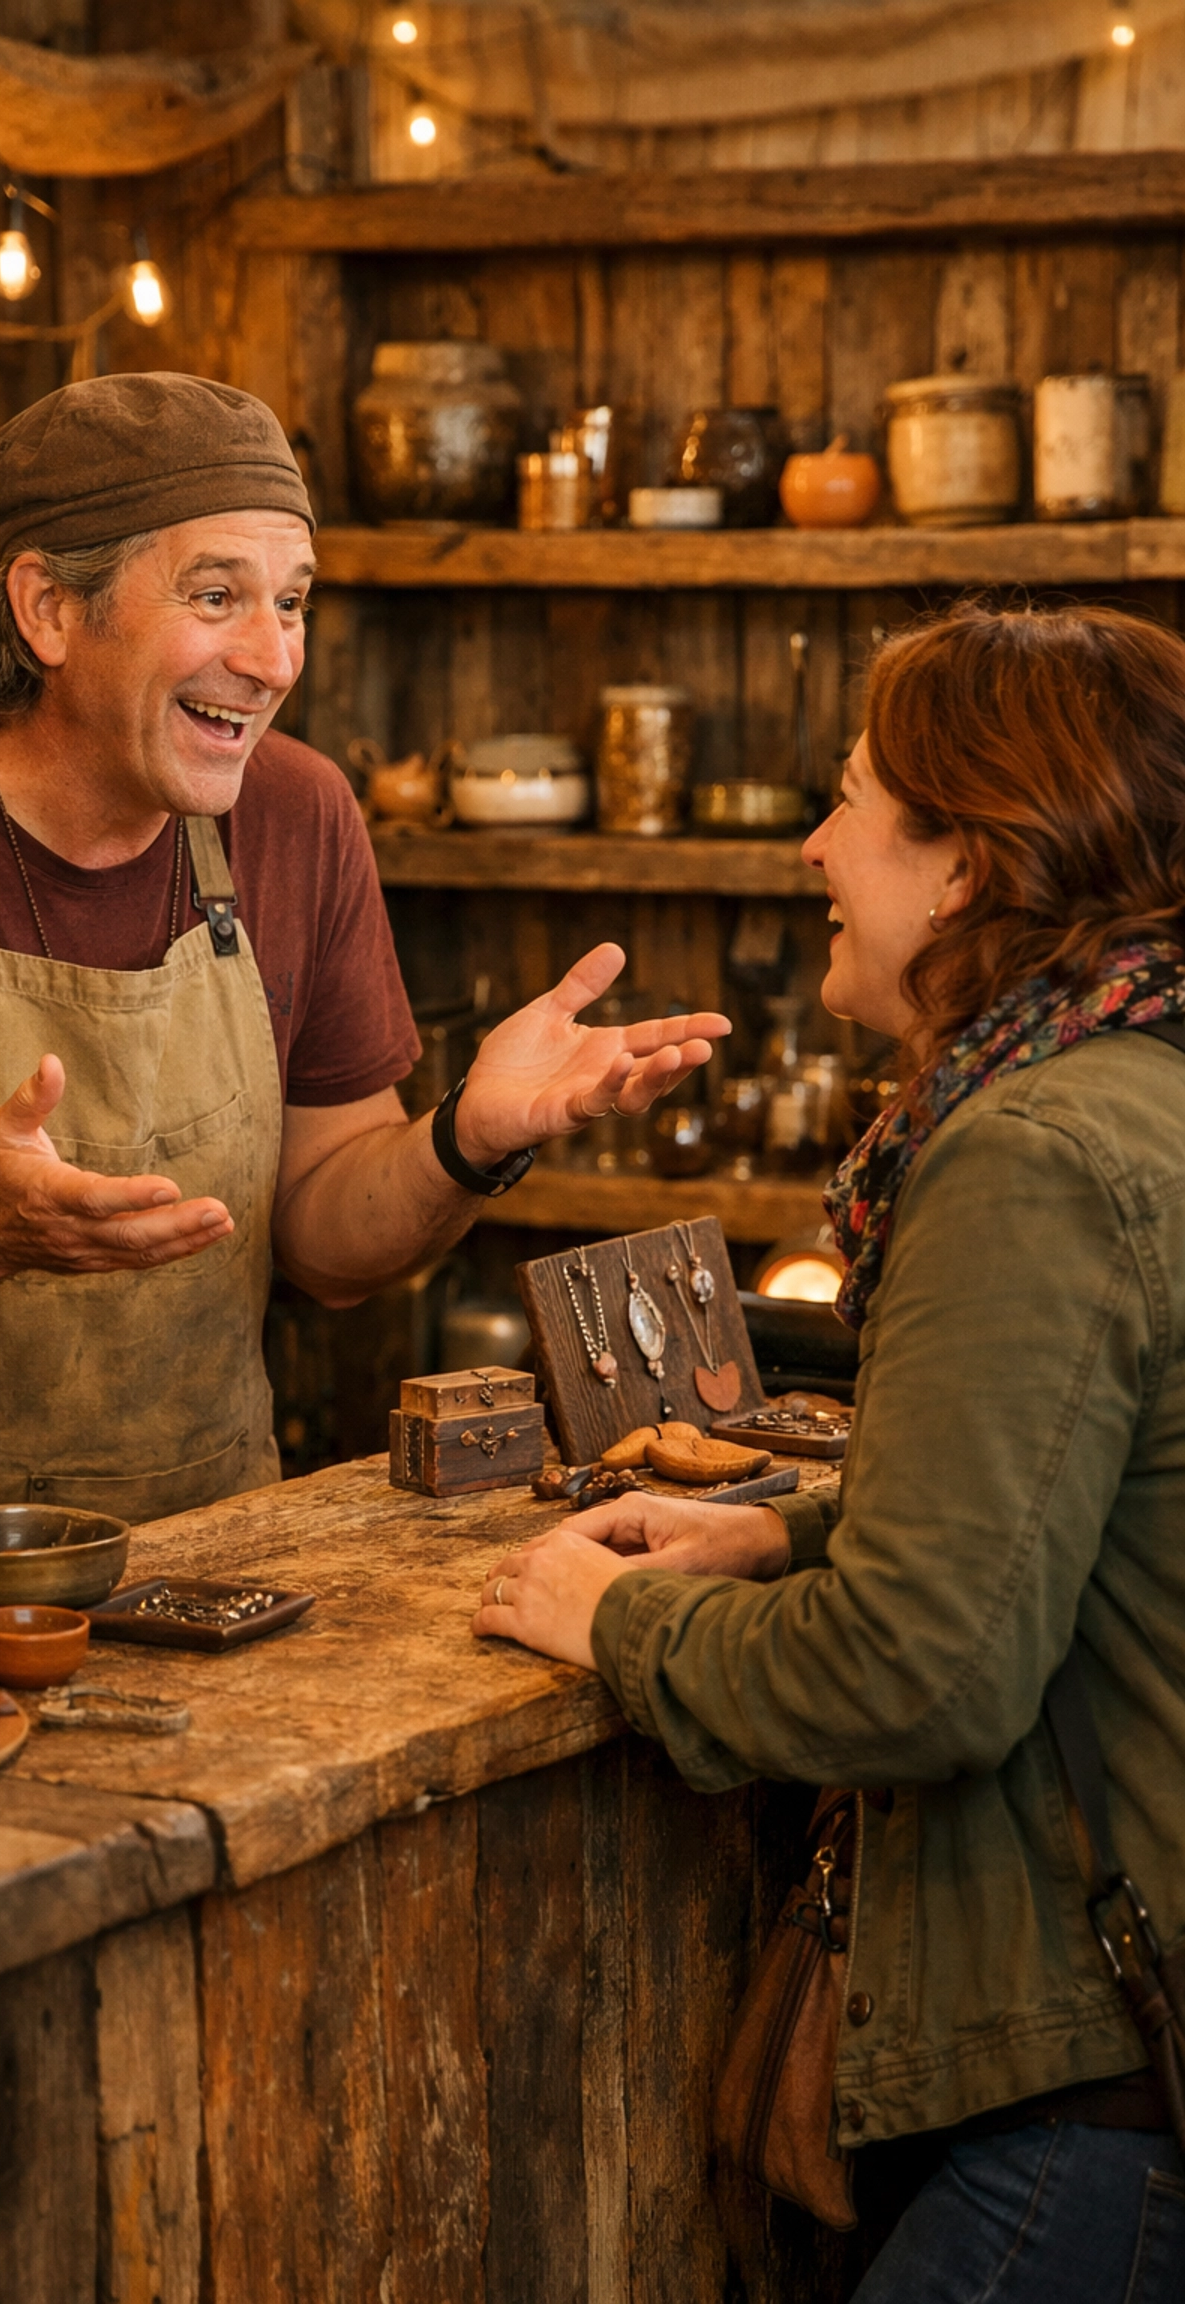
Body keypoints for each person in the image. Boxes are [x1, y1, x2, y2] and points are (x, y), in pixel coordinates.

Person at [0, 372, 725, 1570]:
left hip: (206, 1577)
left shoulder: (297, 818)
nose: (272, 659)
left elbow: (322, 1237)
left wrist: (468, 1137)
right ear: (49, 609)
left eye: (295, 603)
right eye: (218, 596)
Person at [474, 602, 1185, 2300]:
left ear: (963, 866)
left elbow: (925, 1670)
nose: (811, 840)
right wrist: (787, 1533)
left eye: (856, 798)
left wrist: (612, 1618)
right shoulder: (1142, 1079)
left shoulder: (1035, 1151)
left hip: (1091, 2080)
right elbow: (1094, 1501)